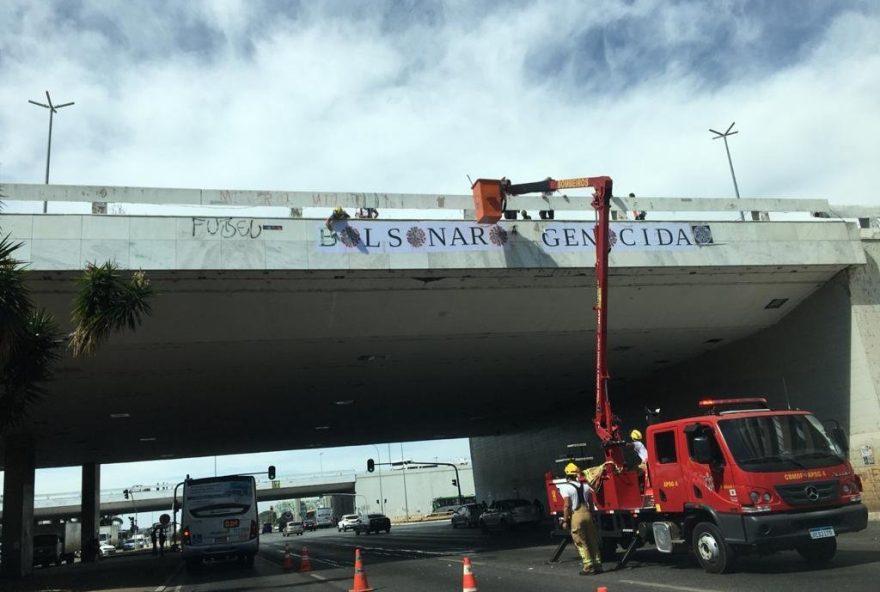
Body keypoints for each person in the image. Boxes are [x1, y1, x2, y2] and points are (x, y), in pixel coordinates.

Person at [558, 462, 602, 575]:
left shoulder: (565, 487)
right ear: (577, 474)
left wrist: (565, 520)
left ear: (567, 475)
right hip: (587, 514)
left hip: (576, 515)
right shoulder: (586, 486)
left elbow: (567, 505)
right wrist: (592, 516)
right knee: (592, 540)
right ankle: (598, 565)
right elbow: (591, 503)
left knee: (581, 541)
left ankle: (588, 566)